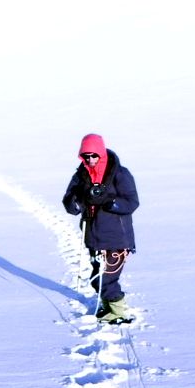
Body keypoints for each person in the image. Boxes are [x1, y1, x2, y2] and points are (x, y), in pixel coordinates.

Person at [62, 133, 139, 324]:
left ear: (101, 153)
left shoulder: (120, 174)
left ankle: (119, 311)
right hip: (93, 235)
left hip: (117, 237)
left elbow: (132, 202)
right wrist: (77, 202)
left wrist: (109, 201)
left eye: (93, 155)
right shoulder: (80, 175)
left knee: (107, 278)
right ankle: (108, 307)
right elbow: (69, 201)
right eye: (86, 156)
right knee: (97, 277)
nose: (90, 159)